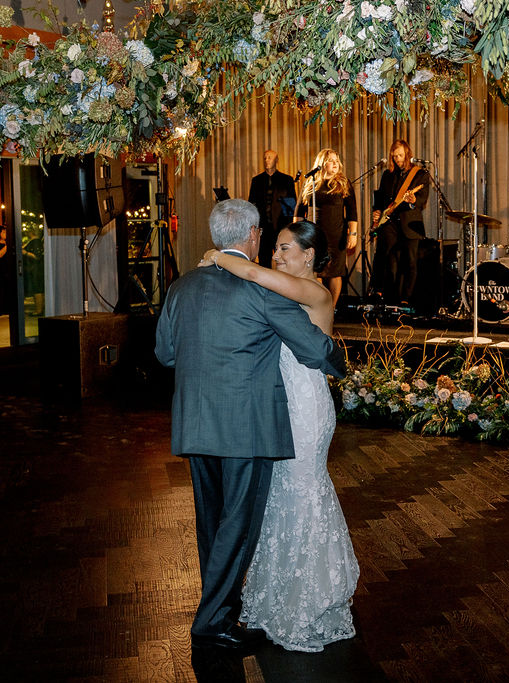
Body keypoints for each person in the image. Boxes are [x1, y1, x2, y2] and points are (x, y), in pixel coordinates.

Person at [154, 199, 344, 652]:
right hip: (247, 427)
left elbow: (165, 354)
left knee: (212, 524)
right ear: (254, 235)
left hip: (196, 425)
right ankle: (212, 621)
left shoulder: (181, 287)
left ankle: (219, 611)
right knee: (237, 526)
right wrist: (340, 360)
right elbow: (315, 351)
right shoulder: (260, 292)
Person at [199, 221, 360, 652]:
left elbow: (250, 273)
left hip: (305, 407)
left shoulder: (317, 292)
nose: (276, 255)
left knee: (303, 490)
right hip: (277, 405)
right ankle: (278, 599)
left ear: (309, 255)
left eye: (285, 248)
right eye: (274, 248)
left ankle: (308, 600)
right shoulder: (283, 290)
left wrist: (218, 257)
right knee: (281, 497)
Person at [295, 149, 359, 307]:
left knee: (335, 273)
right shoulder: (310, 183)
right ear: (322, 163)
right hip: (314, 236)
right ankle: (318, 306)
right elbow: (298, 211)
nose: (335, 163)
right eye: (331, 160)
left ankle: (331, 308)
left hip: (336, 235)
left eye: (337, 160)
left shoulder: (343, 183)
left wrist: (353, 234)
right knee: (316, 271)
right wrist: (296, 234)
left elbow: (352, 212)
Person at [371, 140, 430, 306]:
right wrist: (377, 211)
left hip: (410, 223)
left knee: (411, 262)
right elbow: (380, 197)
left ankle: (406, 299)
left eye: (400, 155)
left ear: (407, 154)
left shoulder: (420, 174)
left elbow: (422, 199)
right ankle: (387, 296)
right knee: (388, 259)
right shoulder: (388, 175)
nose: (398, 159)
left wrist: (412, 201)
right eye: (395, 156)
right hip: (390, 223)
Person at [248, 149, 297, 266]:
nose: (266, 160)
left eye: (270, 157)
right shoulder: (256, 181)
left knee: (284, 261)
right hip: (263, 229)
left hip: (281, 228)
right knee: (264, 261)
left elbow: (291, 207)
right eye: (265, 158)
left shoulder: (287, 180)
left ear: (277, 160)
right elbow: (251, 205)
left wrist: (288, 229)